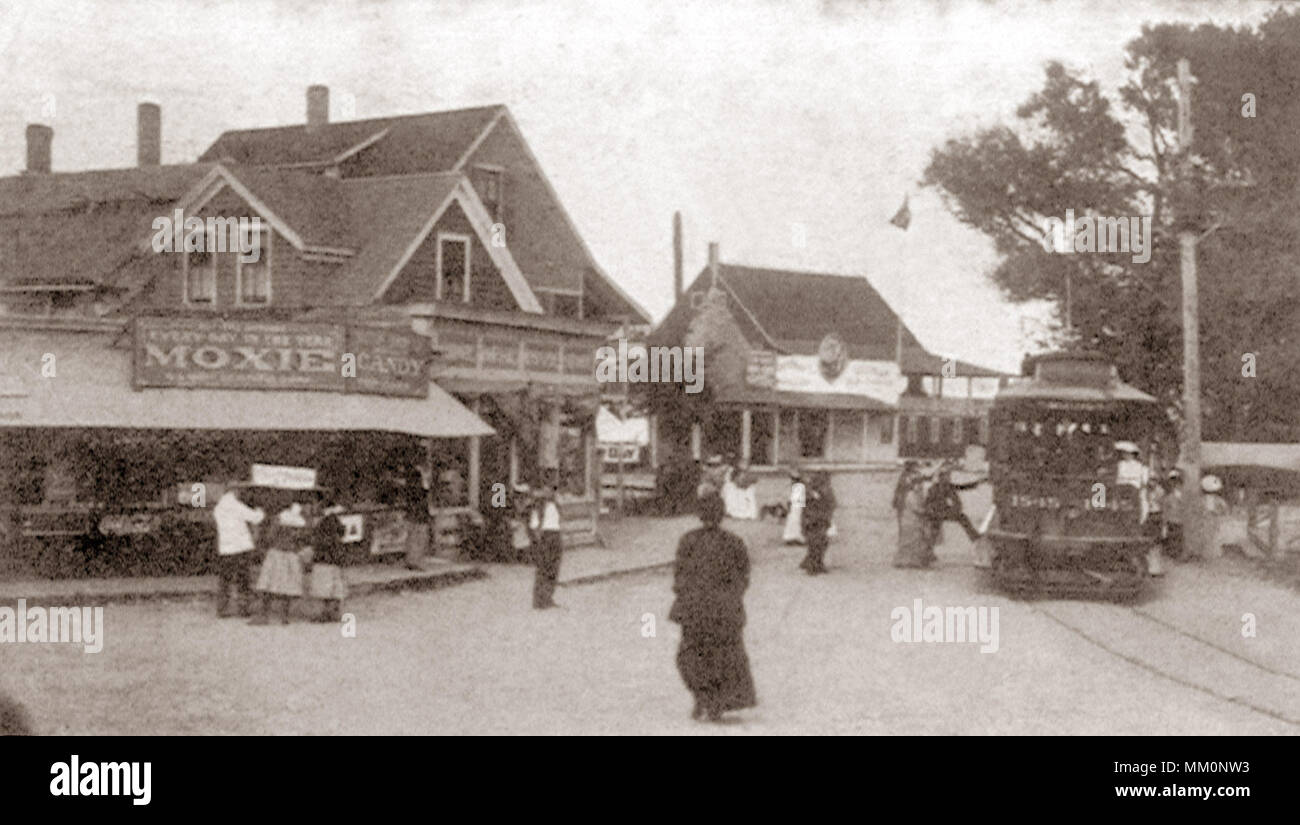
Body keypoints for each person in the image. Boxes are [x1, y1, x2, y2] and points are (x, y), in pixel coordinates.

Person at [669, 492, 757, 722]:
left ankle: (701, 697)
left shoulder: (688, 540)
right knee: (724, 656)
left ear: (699, 515)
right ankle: (716, 702)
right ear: (722, 514)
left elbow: (679, 576)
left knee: (691, 655)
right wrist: (731, 599)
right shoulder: (735, 542)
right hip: (725, 612)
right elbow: (743, 577)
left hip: (694, 611)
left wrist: (686, 597)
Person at [212, 485, 265, 618]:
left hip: (225, 548)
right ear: (235, 491)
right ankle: (243, 608)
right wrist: (260, 510)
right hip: (241, 547)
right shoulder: (236, 505)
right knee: (243, 579)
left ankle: (222, 609)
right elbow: (256, 518)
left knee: (225, 579)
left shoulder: (218, 508)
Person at [252, 499, 307, 625]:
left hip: (276, 553)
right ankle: (284, 617)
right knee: (287, 586)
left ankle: (264, 615)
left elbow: (269, 537)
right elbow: (303, 540)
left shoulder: (278, 520)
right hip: (291, 555)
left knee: (269, 584)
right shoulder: (301, 523)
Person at [308, 497, 349, 623]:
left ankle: (325, 613)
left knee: (324, 587)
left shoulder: (324, 522)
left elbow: (317, 538)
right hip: (335, 557)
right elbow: (342, 533)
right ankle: (334, 612)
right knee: (335, 586)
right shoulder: (336, 521)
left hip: (324, 558)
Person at [923, 460, 983, 543]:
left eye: (949, 476)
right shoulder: (935, 488)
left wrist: (976, 483)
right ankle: (974, 537)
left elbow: (962, 487)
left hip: (941, 511)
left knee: (960, 518)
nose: (949, 478)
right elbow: (927, 502)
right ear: (941, 477)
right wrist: (930, 511)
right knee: (960, 518)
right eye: (947, 476)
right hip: (937, 512)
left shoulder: (946, 486)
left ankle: (975, 537)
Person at [529, 483, 564, 609]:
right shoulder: (539, 506)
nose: (550, 493)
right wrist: (540, 540)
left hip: (556, 536)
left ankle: (548, 597)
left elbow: (560, 521)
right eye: (547, 490)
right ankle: (539, 600)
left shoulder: (557, 505)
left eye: (552, 491)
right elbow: (534, 525)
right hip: (545, 537)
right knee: (543, 569)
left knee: (554, 569)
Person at [893, 466, 935, 568]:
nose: (920, 487)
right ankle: (913, 561)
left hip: (913, 520)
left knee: (917, 539)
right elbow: (917, 509)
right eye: (918, 485)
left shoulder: (914, 494)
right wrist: (927, 512)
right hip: (911, 521)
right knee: (918, 538)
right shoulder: (911, 495)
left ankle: (915, 560)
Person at [799, 471, 836, 575]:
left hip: (822, 521)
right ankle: (812, 565)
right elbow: (801, 506)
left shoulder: (827, 490)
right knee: (814, 544)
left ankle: (818, 563)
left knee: (823, 543)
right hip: (812, 522)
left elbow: (833, 503)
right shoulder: (808, 491)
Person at [1162, 469, 1185, 561]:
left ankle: (1180, 554)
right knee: (1172, 538)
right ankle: (1173, 555)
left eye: (1176, 481)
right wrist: (1164, 524)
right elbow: (1165, 511)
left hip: (1182, 521)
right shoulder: (1168, 498)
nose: (1174, 484)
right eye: (1172, 481)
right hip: (1171, 520)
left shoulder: (1184, 496)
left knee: (1180, 538)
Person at [782, 469, 806, 545]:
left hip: (797, 508)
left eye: (793, 479)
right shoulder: (798, 487)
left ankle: (796, 537)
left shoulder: (799, 487)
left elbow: (795, 499)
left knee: (796, 522)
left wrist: (790, 503)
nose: (791, 481)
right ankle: (791, 537)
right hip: (795, 508)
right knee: (793, 522)